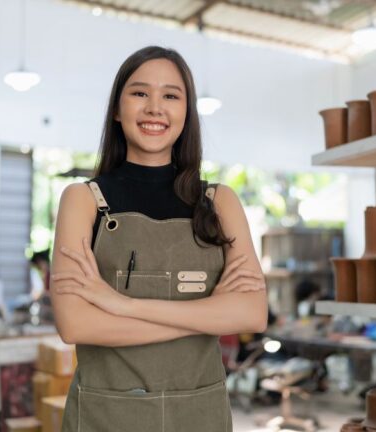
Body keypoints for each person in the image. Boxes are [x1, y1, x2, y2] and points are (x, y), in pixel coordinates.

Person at [50, 46, 269, 432]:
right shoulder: (82, 201)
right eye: (139, 93)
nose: (155, 107)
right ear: (117, 110)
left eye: (171, 95)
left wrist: (118, 304)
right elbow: (76, 325)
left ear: (187, 112)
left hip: (199, 415)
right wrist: (209, 315)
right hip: (107, 416)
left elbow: (251, 314)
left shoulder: (220, 202)